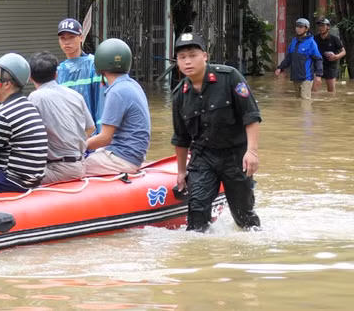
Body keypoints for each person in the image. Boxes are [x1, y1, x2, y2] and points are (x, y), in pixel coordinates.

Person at [171, 32, 261, 232]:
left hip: (235, 155)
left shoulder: (229, 77)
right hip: (203, 157)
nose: (188, 61)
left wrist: (252, 152)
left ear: (205, 55)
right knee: (196, 214)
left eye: (193, 55)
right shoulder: (180, 95)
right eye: (182, 57)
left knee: (244, 217)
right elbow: (181, 138)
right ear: (177, 62)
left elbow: (251, 116)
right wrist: (181, 172)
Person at [84, 39, 151, 175]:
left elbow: (104, 138)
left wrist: (75, 146)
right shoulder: (132, 84)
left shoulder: (116, 91)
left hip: (124, 157)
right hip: (134, 154)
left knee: (76, 168)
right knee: (94, 153)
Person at [27, 52, 95, 184]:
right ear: (56, 74)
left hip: (57, 168)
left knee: (13, 176)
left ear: (30, 77)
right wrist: (74, 143)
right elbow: (91, 127)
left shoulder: (34, 98)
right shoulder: (76, 95)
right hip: (79, 164)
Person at [0, 53, 48, 193]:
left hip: (11, 181)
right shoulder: (27, 105)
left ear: (7, 84)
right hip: (30, 179)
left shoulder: (4, 114)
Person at [56, 18, 102, 133]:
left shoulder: (94, 65)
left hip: (91, 136)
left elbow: (100, 103)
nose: (67, 42)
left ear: (81, 37)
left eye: (71, 37)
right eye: (63, 38)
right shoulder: (59, 71)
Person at [275, 17, 323, 100]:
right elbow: (289, 58)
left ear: (306, 29)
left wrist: (318, 76)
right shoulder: (294, 41)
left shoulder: (311, 42)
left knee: (305, 100)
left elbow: (318, 59)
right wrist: (280, 67)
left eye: (301, 27)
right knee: (298, 99)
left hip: (306, 77)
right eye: (297, 26)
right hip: (295, 76)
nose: (298, 29)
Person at [313, 18, 345, 92]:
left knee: (331, 91)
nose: (321, 28)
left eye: (323, 26)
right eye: (319, 26)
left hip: (331, 66)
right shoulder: (314, 39)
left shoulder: (334, 39)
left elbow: (343, 52)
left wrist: (336, 56)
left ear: (328, 27)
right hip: (318, 65)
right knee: (313, 90)